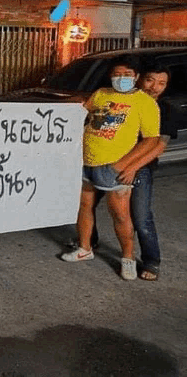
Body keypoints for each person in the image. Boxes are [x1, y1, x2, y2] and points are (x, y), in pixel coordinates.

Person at [61, 55, 160, 280]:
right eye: (116, 74)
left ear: (135, 77)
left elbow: (151, 140)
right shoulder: (102, 94)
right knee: (84, 207)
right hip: (87, 162)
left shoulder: (145, 102)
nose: (121, 78)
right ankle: (85, 248)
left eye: (126, 75)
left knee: (121, 216)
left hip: (113, 167)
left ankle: (127, 258)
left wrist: (123, 165)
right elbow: (83, 111)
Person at [87, 64, 176, 281]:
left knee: (140, 216)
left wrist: (131, 168)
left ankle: (151, 261)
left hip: (138, 168)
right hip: (106, 162)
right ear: (139, 79)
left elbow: (157, 146)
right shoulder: (114, 98)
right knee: (87, 205)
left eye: (161, 83)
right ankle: (89, 241)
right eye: (150, 80)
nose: (155, 87)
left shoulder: (165, 109)